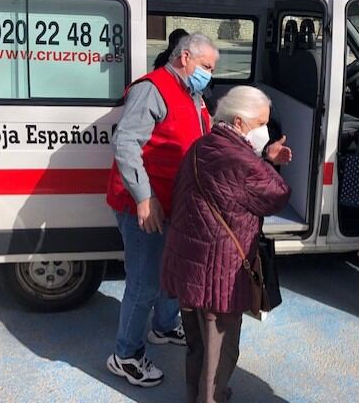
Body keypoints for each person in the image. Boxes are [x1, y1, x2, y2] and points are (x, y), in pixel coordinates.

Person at [161, 86, 292, 403]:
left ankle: (197, 395)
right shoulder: (242, 161)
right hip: (220, 271)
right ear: (238, 122)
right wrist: (268, 161)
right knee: (221, 351)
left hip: (187, 263)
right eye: (260, 124)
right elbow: (277, 195)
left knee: (198, 345)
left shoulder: (201, 145)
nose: (265, 131)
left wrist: (260, 156)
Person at [105, 33, 219, 387]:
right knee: (145, 283)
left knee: (171, 271)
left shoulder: (191, 93)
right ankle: (125, 355)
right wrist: (143, 197)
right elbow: (125, 143)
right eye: (206, 67)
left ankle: (165, 326)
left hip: (174, 204)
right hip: (144, 205)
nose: (209, 75)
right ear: (185, 58)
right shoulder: (153, 89)